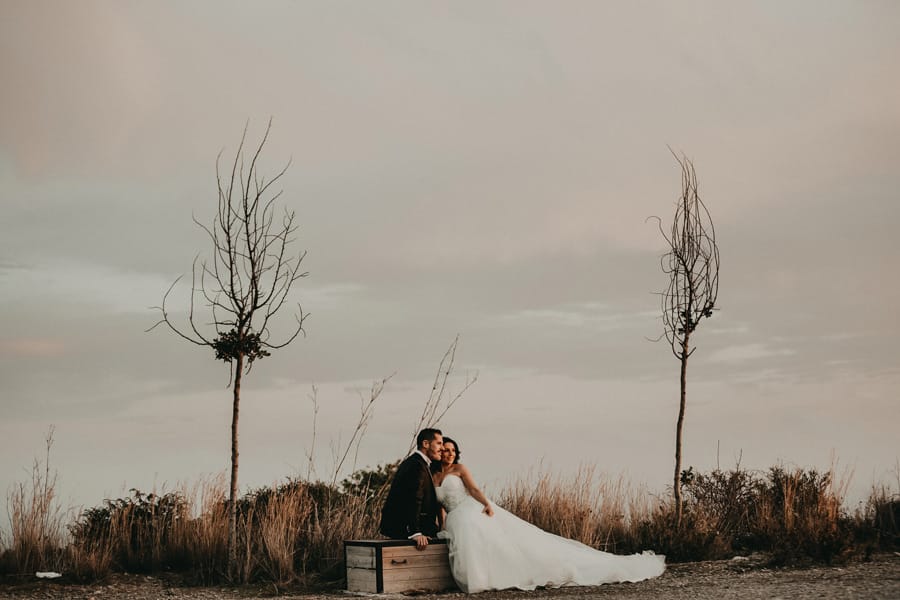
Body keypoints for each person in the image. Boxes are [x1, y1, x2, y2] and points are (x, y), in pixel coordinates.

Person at [433, 437, 666, 593]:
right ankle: (481, 578)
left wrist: (486, 504)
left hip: (472, 510)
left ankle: (491, 578)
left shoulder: (459, 470)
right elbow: (440, 504)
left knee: (507, 543)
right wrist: (441, 525)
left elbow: (473, 489)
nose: (449, 454)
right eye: (446, 450)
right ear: (439, 452)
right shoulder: (434, 476)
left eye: (453, 451)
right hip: (455, 518)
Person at [379, 428, 444, 550]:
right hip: (404, 530)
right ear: (425, 444)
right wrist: (415, 532)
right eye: (439, 443)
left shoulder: (419, 463)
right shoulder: (416, 465)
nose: (442, 448)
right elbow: (413, 499)